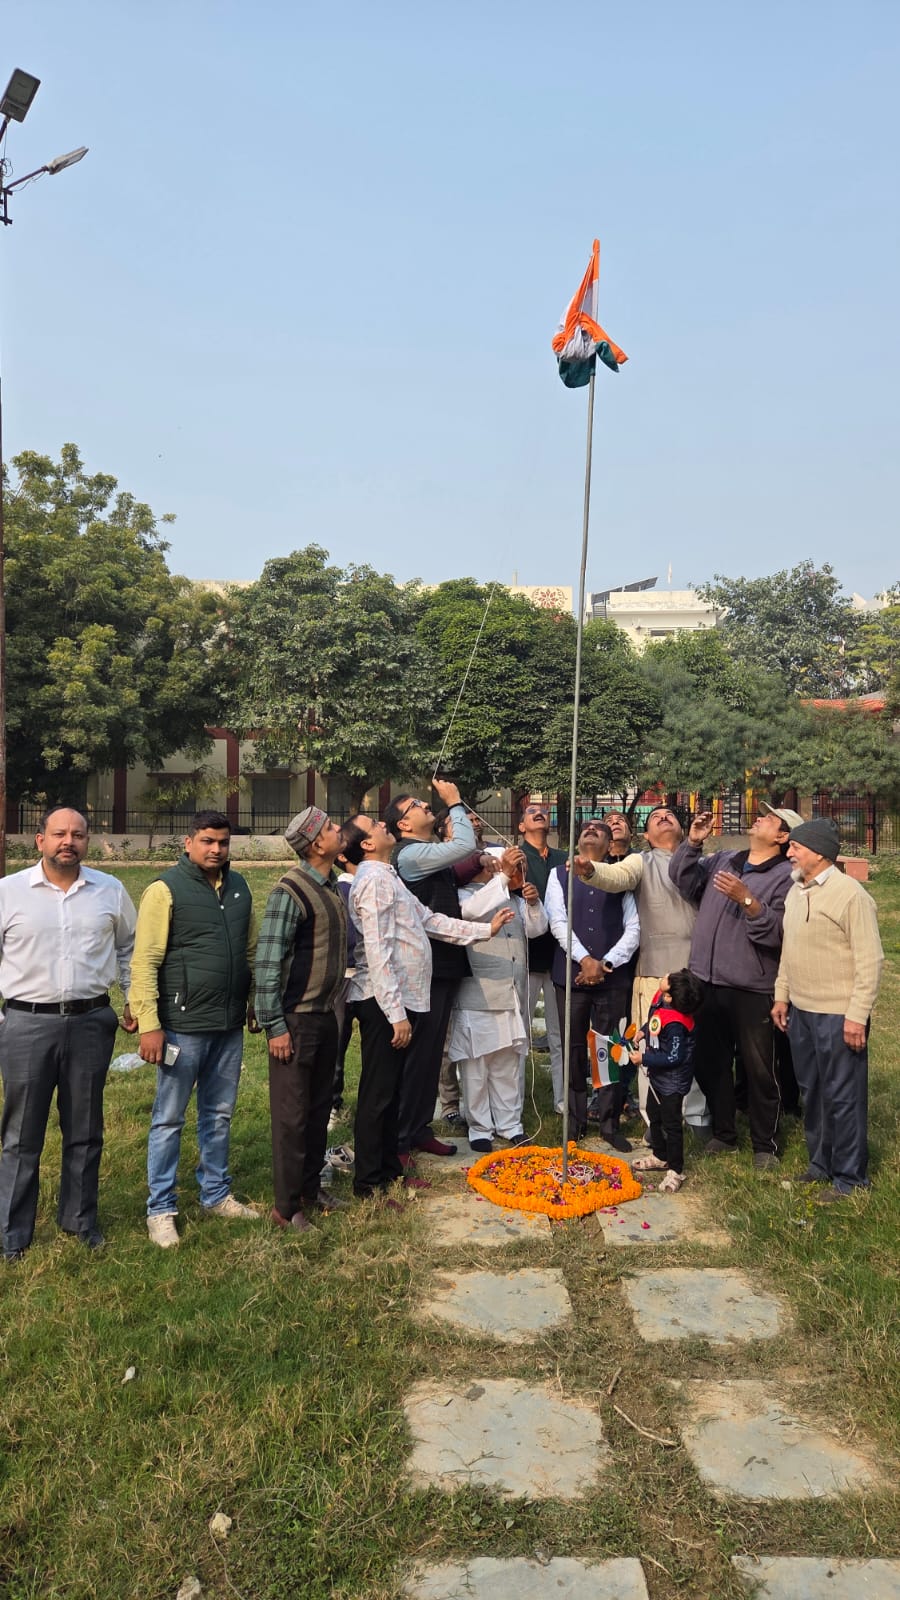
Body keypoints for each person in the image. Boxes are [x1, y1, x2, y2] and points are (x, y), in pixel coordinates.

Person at [340, 814, 514, 1197]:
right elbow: (377, 951)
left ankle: (389, 1169)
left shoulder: (388, 877)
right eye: (376, 825)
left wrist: (485, 930)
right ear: (367, 844)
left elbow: (431, 920)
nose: (385, 825)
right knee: (379, 1094)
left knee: (393, 1093)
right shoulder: (371, 883)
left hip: (405, 1001)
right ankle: (369, 1182)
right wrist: (395, 1013)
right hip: (386, 1003)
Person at [0, 807, 137, 1261]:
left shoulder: (110, 891)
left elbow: (128, 948)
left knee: (85, 1128)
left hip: (90, 1022)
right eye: (59, 833)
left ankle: (79, 1221)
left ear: (87, 841)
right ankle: (11, 1233)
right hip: (25, 1023)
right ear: (39, 840)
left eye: (77, 834)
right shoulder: (9, 892)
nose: (68, 841)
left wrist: (133, 998)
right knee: (21, 1135)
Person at [130, 810, 260, 1248]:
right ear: (188, 843)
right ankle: (161, 1209)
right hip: (181, 1028)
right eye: (207, 841)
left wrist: (255, 1002)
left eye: (223, 842)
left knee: (218, 1115)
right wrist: (149, 1024)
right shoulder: (165, 889)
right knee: (168, 1119)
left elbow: (251, 949)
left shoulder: (239, 886)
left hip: (228, 1025)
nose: (216, 849)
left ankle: (216, 1194)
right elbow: (145, 961)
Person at [669, 804, 799, 1168]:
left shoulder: (787, 877)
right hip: (706, 980)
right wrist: (692, 843)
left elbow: (777, 934)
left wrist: (747, 899)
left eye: (769, 818)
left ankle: (765, 1145)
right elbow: (684, 881)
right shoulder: (725, 858)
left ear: (782, 836)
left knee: (759, 1070)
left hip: (752, 986)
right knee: (711, 1063)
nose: (758, 818)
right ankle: (724, 1133)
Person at [772, 818, 883, 1202]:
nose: (789, 853)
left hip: (839, 1015)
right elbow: (790, 951)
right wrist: (782, 994)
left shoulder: (850, 895)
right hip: (802, 1011)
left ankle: (850, 1178)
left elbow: (871, 960)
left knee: (844, 1095)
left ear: (817, 852)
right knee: (813, 1091)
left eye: (796, 848)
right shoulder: (796, 891)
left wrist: (857, 1014)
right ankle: (820, 1164)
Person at [573, 804, 702, 1135]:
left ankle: (696, 1119)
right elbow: (618, 877)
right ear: (646, 835)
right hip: (653, 974)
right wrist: (592, 871)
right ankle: (655, 1122)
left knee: (694, 1048)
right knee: (653, 1050)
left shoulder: (699, 863)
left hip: (697, 971)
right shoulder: (639, 861)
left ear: (682, 828)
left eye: (670, 815)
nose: (663, 817)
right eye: (655, 817)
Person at [255, 806, 349, 1233]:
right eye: (330, 827)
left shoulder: (329, 887)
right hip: (295, 1022)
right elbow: (269, 962)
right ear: (315, 844)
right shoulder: (289, 891)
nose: (337, 830)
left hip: (325, 1017)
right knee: (292, 1118)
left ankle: (311, 1190)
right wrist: (274, 1025)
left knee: (316, 1110)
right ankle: (286, 1207)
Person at [383, 778, 480, 1167]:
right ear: (403, 825)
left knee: (429, 1054)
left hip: (443, 964)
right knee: (419, 1056)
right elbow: (464, 846)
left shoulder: (425, 853)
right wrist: (454, 801)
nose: (427, 806)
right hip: (426, 968)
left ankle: (420, 1128)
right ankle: (402, 1138)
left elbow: (456, 870)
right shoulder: (408, 855)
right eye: (418, 806)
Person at [545, 819, 639, 1145]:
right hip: (571, 975)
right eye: (587, 827)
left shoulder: (622, 876)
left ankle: (610, 1125)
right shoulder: (559, 875)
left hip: (612, 977)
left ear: (609, 842)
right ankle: (574, 1123)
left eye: (600, 829)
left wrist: (606, 962)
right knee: (573, 1049)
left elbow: (634, 927)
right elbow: (557, 919)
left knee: (609, 1048)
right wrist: (584, 959)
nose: (592, 830)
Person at [449, 853, 549, 1153]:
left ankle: (510, 1125)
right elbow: (470, 912)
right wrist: (504, 879)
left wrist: (532, 903)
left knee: (508, 1065)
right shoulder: (462, 896)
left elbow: (537, 929)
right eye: (496, 865)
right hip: (477, 994)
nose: (501, 869)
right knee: (476, 1067)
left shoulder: (508, 897)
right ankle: (479, 1127)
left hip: (510, 994)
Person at [631, 970, 705, 1193]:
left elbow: (674, 1057)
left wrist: (644, 1058)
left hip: (672, 1082)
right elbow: (655, 1022)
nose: (664, 975)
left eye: (668, 979)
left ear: (671, 996)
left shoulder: (677, 1025)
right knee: (654, 1116)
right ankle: (660, 1155)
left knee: (671, 1124)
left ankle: (676, 1168)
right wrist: (644, 1032)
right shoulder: (662, 1001)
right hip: (658, 1077)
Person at [517, 801, 567, 1110]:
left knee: (559, 1032)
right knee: (519, 1034)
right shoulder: (517, 858)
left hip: (559, 957)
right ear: (521, 826)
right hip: (525, 956)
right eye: (531, 811)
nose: (539, 813)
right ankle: (516, 1100)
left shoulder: (562, 860)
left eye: (544, 811)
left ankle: (563, 1100)